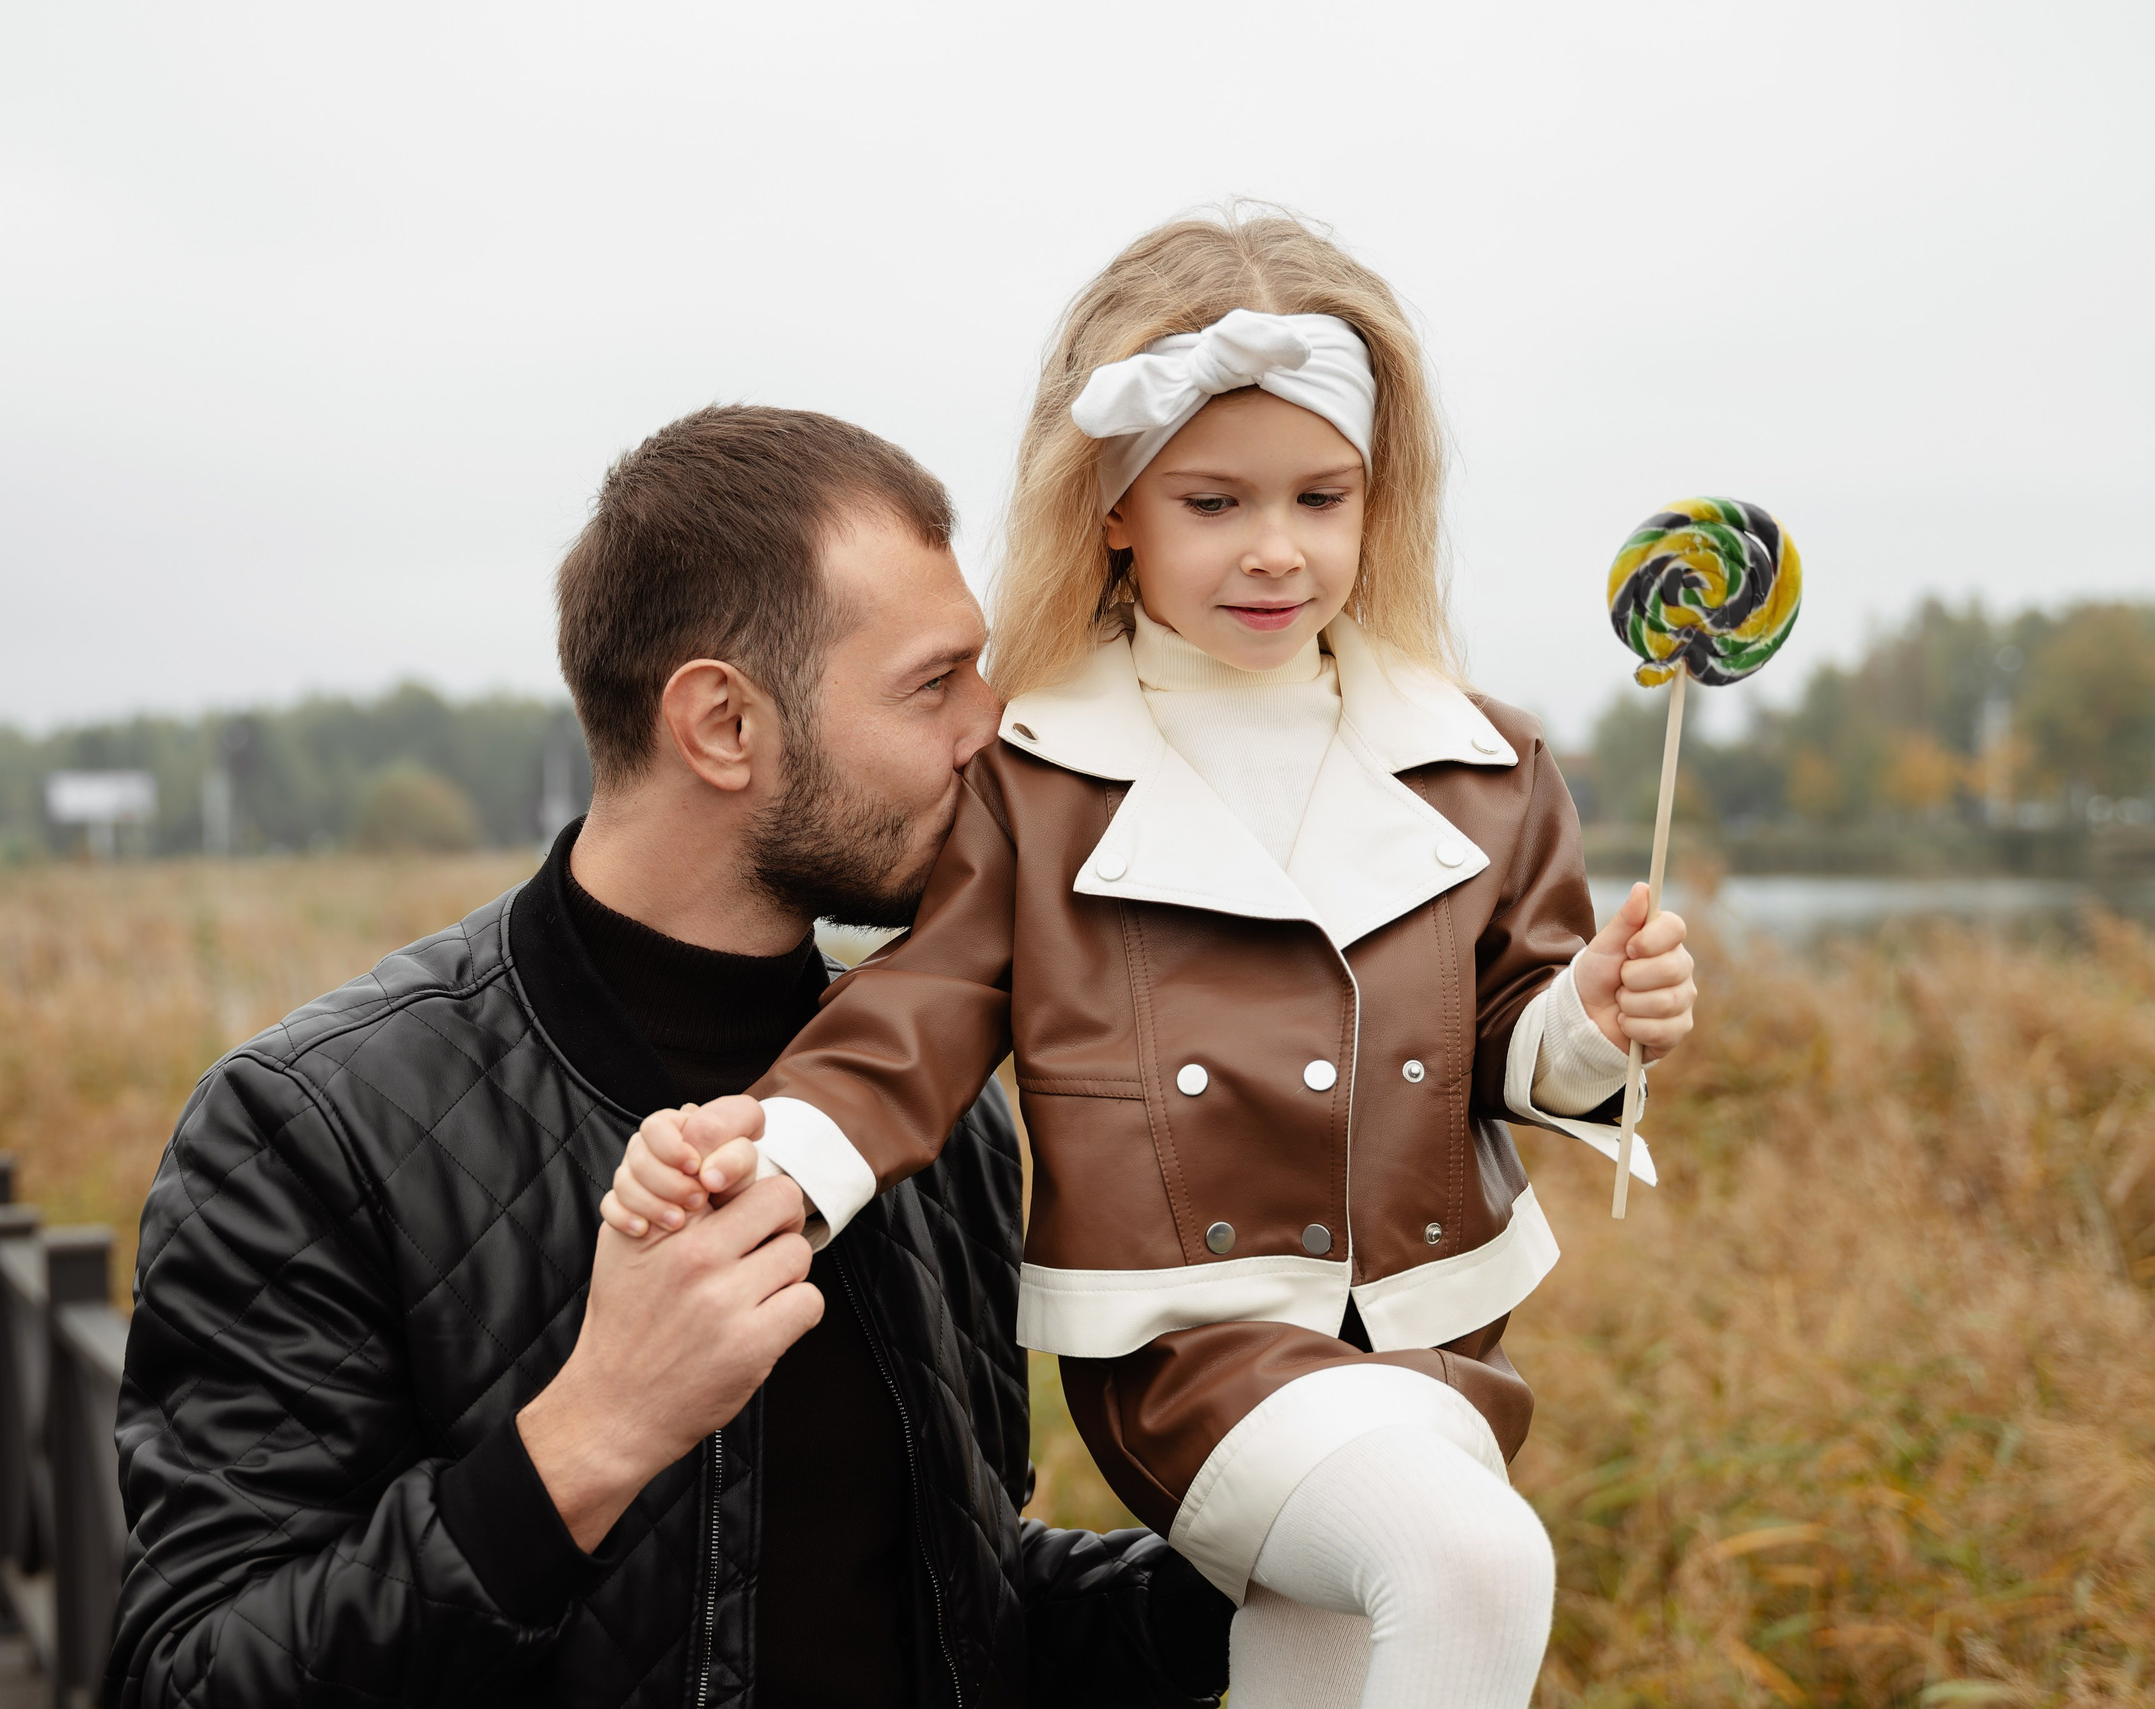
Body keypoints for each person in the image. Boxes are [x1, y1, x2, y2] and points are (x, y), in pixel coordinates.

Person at [604, 211, 1700, 1708]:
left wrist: (1593, 1011)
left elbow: (1506, 1036)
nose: (1276, 547)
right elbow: (915, 1021)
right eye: (1212, 499)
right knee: (1473, 1564)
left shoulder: (1483, 760)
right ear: (1117, 505)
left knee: (1334, 1648)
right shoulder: (1044, 774)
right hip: (1190, 1352)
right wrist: (770, 1159)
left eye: (1324, 495)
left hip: (1435, 1339)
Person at [105, 404, 1236, 1709]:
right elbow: (191, 1679)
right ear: (722, 727)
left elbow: (946, 1602)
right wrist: (596, 1430)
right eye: (935, 683)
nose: (994, 724)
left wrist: (1250, 1577)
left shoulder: (942, 1120)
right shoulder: (314, 1129)